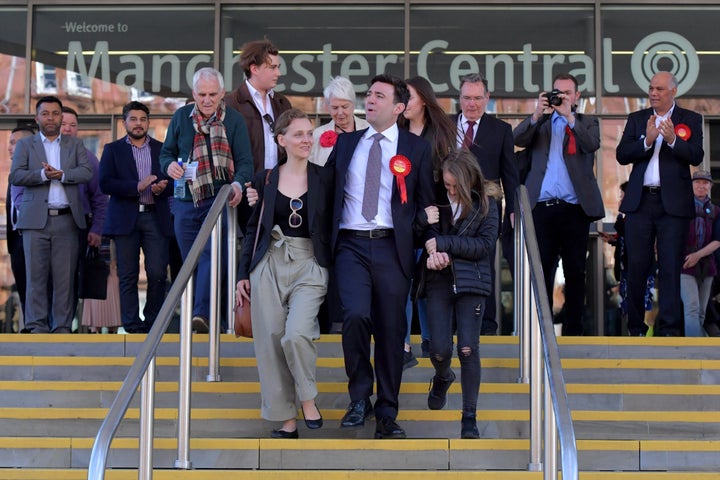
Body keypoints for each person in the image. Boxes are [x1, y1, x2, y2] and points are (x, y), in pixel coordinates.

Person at [328, 74, 433, 439]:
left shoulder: (416, 149)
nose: (370, 100)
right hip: (351, 245)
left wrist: (430, 235)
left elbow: (426, 202)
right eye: (369, 94)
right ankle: (359, 397)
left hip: (392, 247)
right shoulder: (346, 144)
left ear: (399, 107)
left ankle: (387, 410)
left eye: (379, 96)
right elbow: (323, 193)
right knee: (355, 316)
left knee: (391, 330)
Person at [236, 108, 333, 438]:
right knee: (271, 343)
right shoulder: (266, 178)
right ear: (282, 140)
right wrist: (242, 274)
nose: (306, 139)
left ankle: (307, 397)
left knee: (296, 334)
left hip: (309, 263)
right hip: (270, 263)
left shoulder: (325, 177)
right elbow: (253, 229)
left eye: (309, 133)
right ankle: (287, 421)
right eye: (298, 134)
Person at [161, 67, 254, 333]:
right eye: (201, 94)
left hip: (219, 199)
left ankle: (202, 314)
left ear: (222, 93)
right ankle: (201, 315)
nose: (207, 100)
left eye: (213, 94)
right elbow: (166, 154)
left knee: (210, 254)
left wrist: (237, 184)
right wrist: (169, 167)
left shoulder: (233, 120)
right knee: (191, 259)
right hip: (186, 199)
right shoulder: (180, 117)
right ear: (193, 94)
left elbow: (245, 162)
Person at [416, 149, 499, 439]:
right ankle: (443, 376)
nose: (450, 190)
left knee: (467, 348)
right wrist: (429, 241)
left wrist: (443, 245)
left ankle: (469, 417)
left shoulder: (487, 205)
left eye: (455, 186)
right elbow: (421, 233)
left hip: (472, 283)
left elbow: (484, 245)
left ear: (468, 181)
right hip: (438, 281)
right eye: (447, 185)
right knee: (438, 349)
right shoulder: (435, 198)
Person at [513, 73, 604, 336]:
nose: (561, 97)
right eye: (557, 92)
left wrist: (569, 118)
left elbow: (591, 144)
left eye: (567, 93)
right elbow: (517, 139)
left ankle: (574, 329)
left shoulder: (587, 122)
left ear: (576, 97)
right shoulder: (540, 123)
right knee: (542, 270)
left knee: (575, 270)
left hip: (575, 209)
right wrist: (535, 115)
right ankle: (541, 329)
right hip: (542, 208)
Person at [616, 71, 704, 337]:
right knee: (637, 267)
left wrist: (672, 140)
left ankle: (669, 330)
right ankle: (635, 327)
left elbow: (696, 154)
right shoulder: (637, 119)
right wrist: (647, 140)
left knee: (669, 268)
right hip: (640, 203)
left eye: (659, 89)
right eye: (651, 88)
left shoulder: (690, 119)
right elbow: (621, 155)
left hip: (672, 207)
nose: (653, 93)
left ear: (673, 92)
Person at [9, 95, 93, 333]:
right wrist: (44, 175)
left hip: (67, 219)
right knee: (35, 277)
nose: (51, 118)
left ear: (61, 117)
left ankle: (63, 327)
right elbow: (15, 176)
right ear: (37, 118)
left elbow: (86, 173)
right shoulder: (26, 145)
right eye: (45, 114)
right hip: (35, 221)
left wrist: (63, 175)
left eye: (55, 114)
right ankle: (36, 326)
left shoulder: (74, 145)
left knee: (64, 279)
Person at [100, 101, 173, 334]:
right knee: (128, 274)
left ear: (148, 122)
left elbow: (175, 181)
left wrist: (164, 187)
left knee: (158, 273)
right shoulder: (113, 149)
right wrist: (136, 186)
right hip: (126, 219)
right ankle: (131, 324)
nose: (138, 124)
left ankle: (153, 322)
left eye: (142, 119)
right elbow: (105, 183)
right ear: (124, 123)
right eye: (133, 119)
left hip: (155, 217)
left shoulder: (163, 149)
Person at [455, 73, 518, 335]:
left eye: (478, 98)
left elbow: (510, 174)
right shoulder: (444, 126)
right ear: (459, 98)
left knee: (484, 264)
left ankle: (486, 324)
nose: (472, 104)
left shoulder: (501, 130)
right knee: (450, 263)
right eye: (467, 98)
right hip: (450, 206)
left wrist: (513, 210)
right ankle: (452, 322)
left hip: (485, 209)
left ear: (487, 98)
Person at [400, 75, 457, 363]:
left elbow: (454, 176)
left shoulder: (441, 133)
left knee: (428, 281)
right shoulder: (395, 133)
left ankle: (430, 341)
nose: (403, 102)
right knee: (403, 281)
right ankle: (403, 346)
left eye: (407, 95)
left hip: (434, 219)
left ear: (423, 98)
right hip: (404, 218)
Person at [225, 39, 292, 173]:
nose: (278, 73)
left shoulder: (283, 103)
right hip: (245, 186)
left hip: (279, 185)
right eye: (273, 67)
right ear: (254, 69)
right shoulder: (231, 103)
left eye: (278, 67)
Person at [680, 170, 720, 337]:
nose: (701, 186)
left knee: (701, 312)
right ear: (691, 185)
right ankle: (694, 351)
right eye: (697, 182)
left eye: (705, 183)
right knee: (692, 308)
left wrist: (698, 255)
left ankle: (699, 346)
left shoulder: (716, 211)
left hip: (706, 265)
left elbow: (718, 241)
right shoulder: (681, 207)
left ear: (710, 186)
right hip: (685, 263)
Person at [6, 126, 35, 319]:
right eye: (10, 142)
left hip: (34, 235)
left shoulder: (36, 169)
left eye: (14, 142)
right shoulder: (13, 171)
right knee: (23, 286)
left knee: (36, 286)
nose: (9, 147)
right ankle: (30, 325)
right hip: (16, 239)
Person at [309, 76, 369, 167]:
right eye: (335, 108)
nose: (340, 113)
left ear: (353, 105)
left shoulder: (369, 129)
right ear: (328, 107)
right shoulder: (317, 134)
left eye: (345, 107)